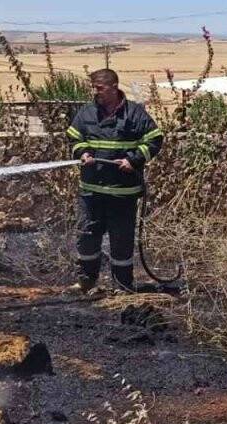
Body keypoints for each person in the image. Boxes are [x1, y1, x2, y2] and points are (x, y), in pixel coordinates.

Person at [66, 69, 164, 293]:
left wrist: (134, 160)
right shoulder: (87, 113)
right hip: (91, 193)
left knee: (121, 239)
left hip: (123, 193)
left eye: (99, 88)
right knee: (87, 237)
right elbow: (74, 137)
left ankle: (122, 286)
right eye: (93, 87)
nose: (95, 92)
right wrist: (82, 153)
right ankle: (86, 282)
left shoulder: (135, 114)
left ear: (114, 87)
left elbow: (154, 139)